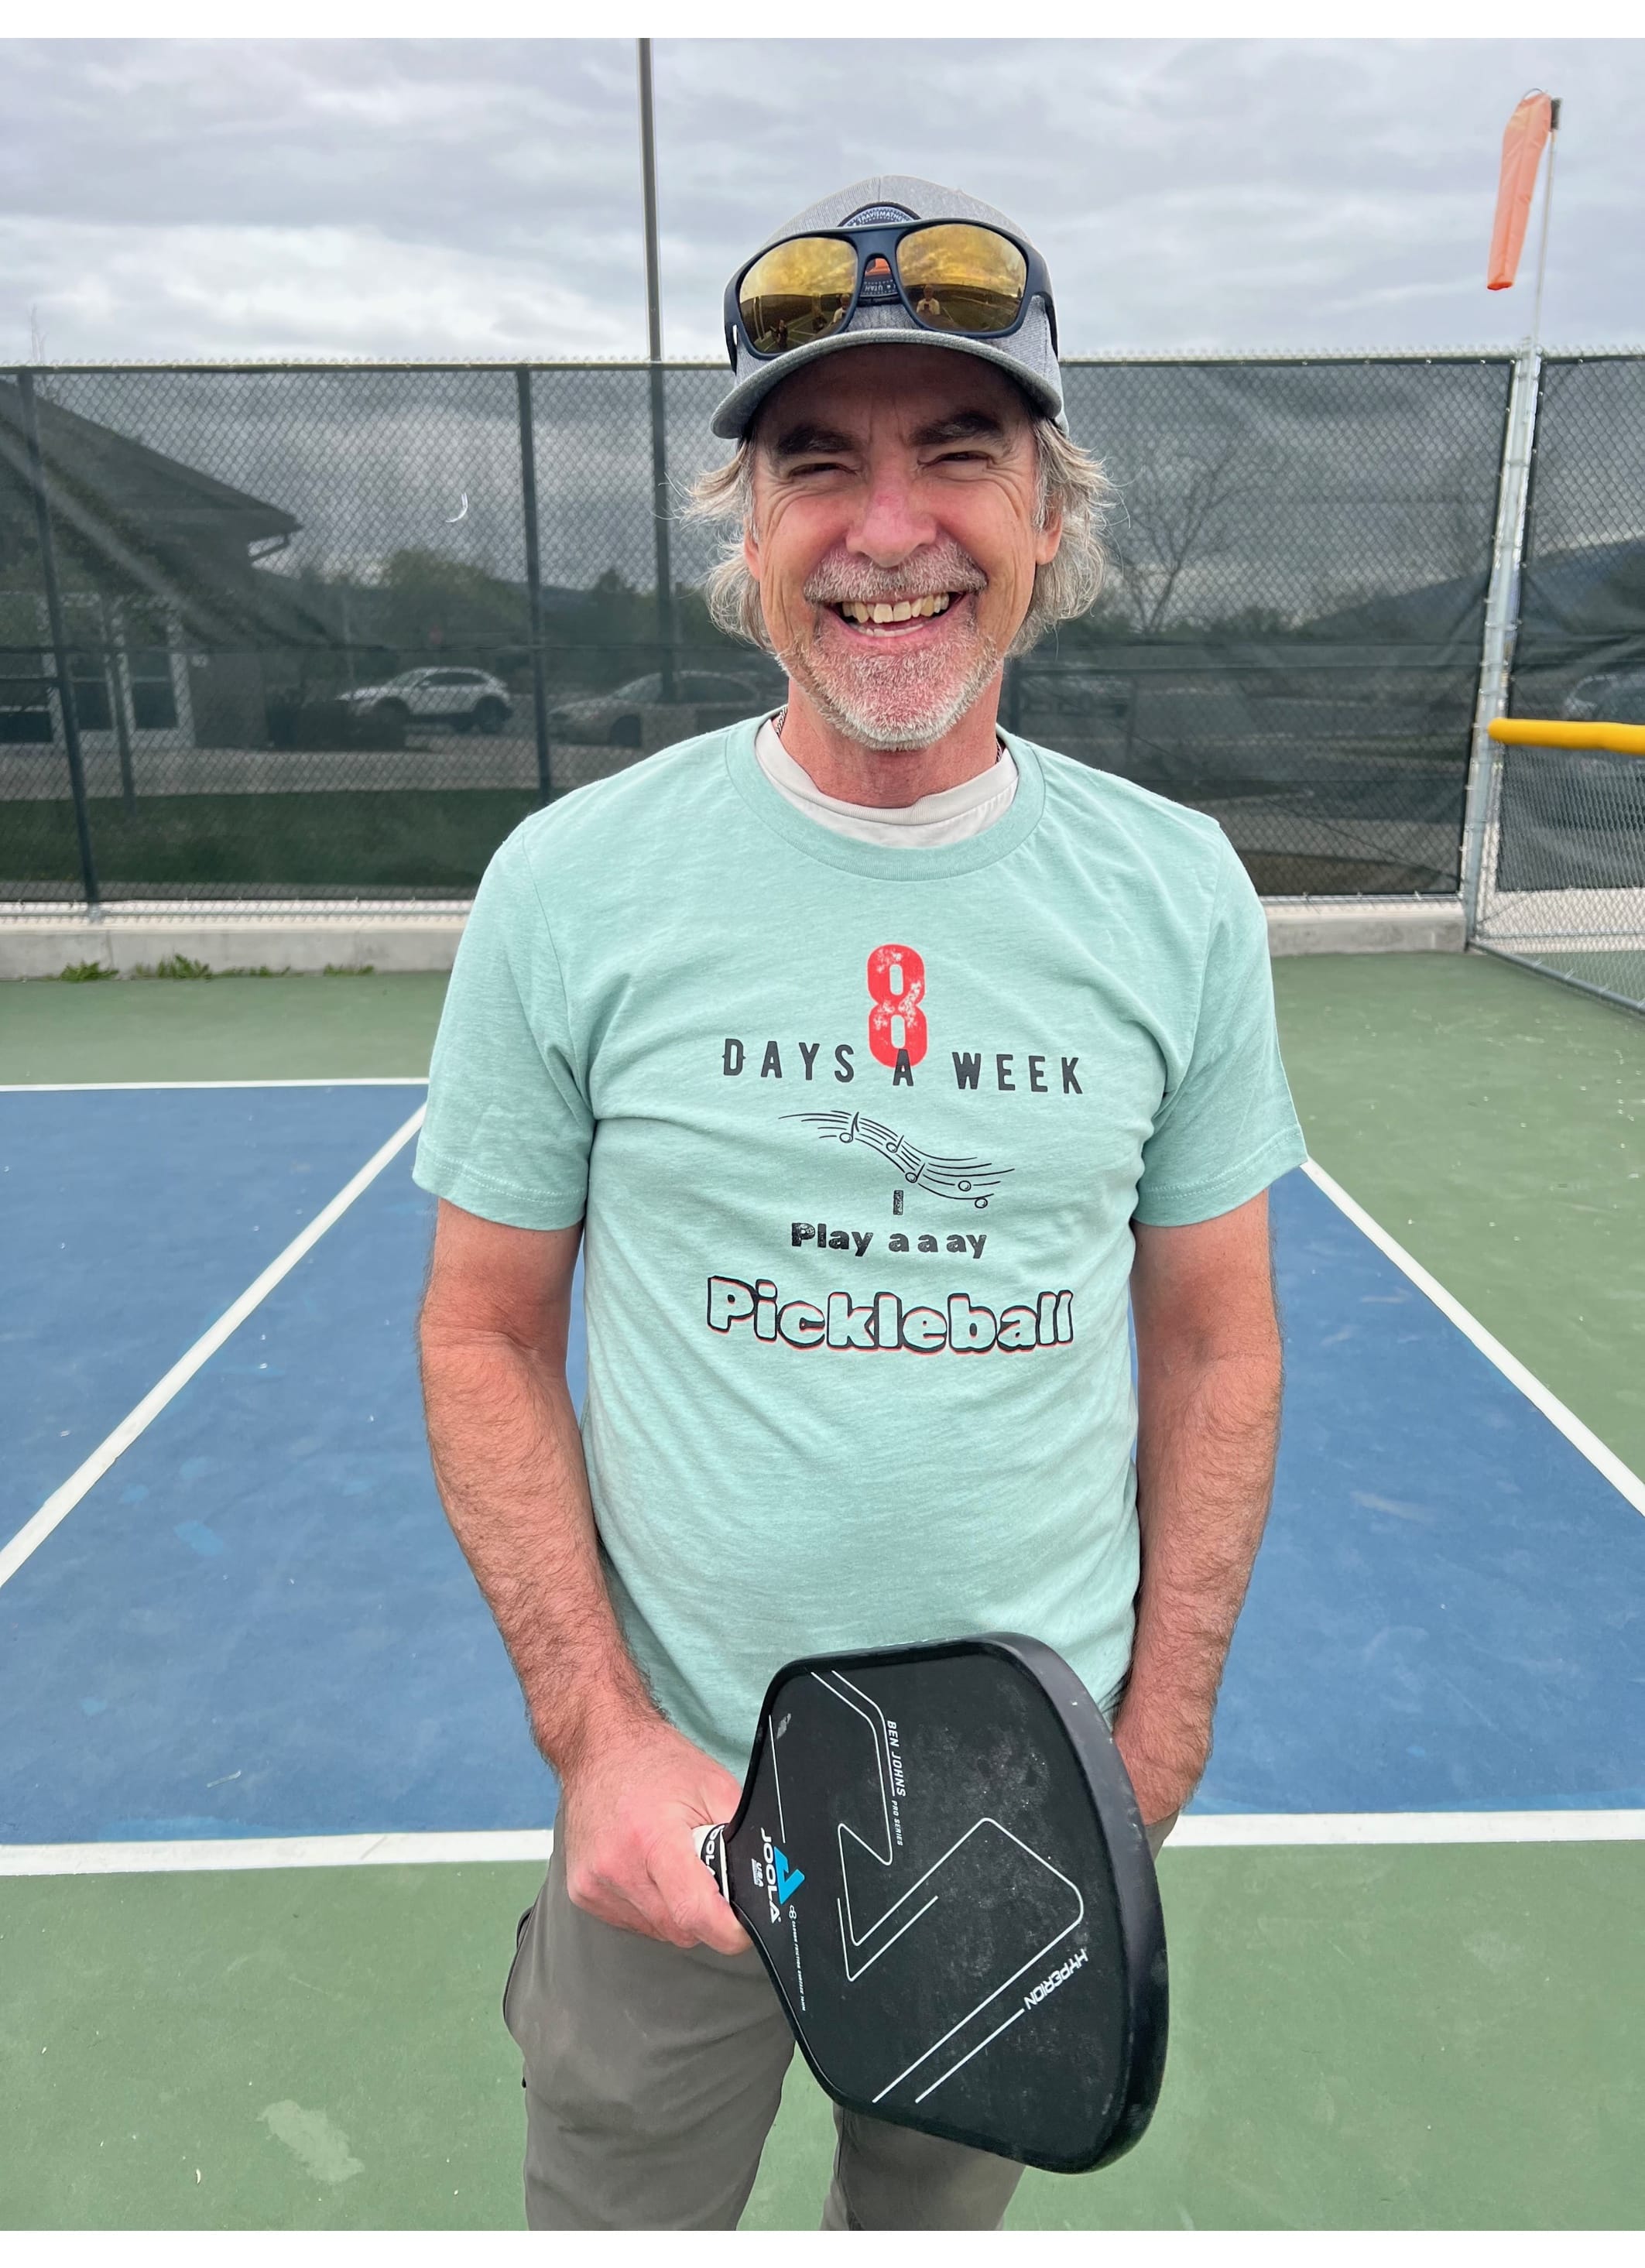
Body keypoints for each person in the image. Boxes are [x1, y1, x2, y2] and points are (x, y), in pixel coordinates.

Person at [414, 174, 1305, 2232]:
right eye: (820, 464)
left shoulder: (1171, 897)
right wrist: (602, 1741)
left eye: (958, 457)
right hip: (683, 1819)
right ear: (746, 532)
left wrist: (1149, 1742)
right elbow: (480, 1328)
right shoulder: (576, 884)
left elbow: (1214, 1337)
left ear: (1049, 518)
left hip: (1017, 1807)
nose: (889, 528)